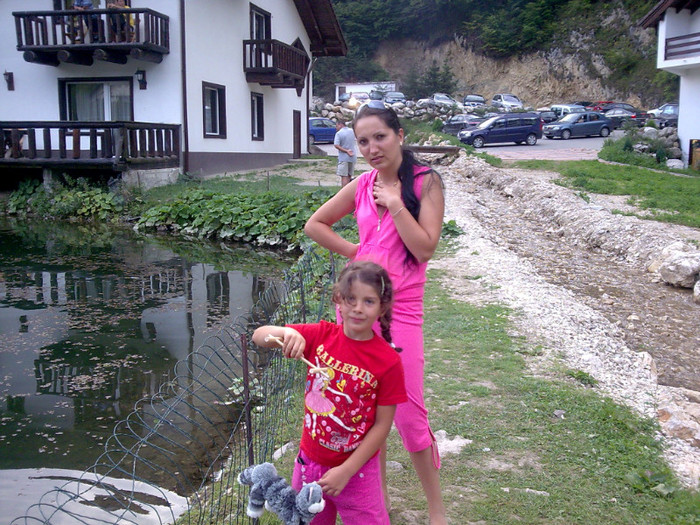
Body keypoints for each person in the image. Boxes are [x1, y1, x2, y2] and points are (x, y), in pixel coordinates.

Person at [304, 101, 447, 524]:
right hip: (360, 312)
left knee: (408, 417)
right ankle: (377, 502)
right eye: (363, 141)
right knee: (364, 411)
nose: (371, 148)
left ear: (400, 135)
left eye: (379, 137)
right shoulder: (363, 184)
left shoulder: (426, 182)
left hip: (402, 313)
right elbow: (316, 224)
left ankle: (437, 513)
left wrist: (396, 203)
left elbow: (424, 248)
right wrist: (358, 255)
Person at [252, 261, 406, 525]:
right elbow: (259, 335)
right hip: (309, 465)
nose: (358, 308)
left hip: (357, 472)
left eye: (369, 301)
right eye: (351, 299)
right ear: (338, 300)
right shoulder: (321, 335)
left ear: (382, 307)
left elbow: (382, 426)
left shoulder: (388, 362)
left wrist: (346, 470)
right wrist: (287, 333)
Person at [334, 120, 357, 187]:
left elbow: (336, 145)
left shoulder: (339, 133)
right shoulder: (352, 131)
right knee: (349, 175)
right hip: (352, 156)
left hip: (343, 158)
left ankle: (344, 192)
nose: (336, 128)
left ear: (340, 124)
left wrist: (346, 151)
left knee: (344, 176)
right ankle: (349, 191)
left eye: (337, 126)